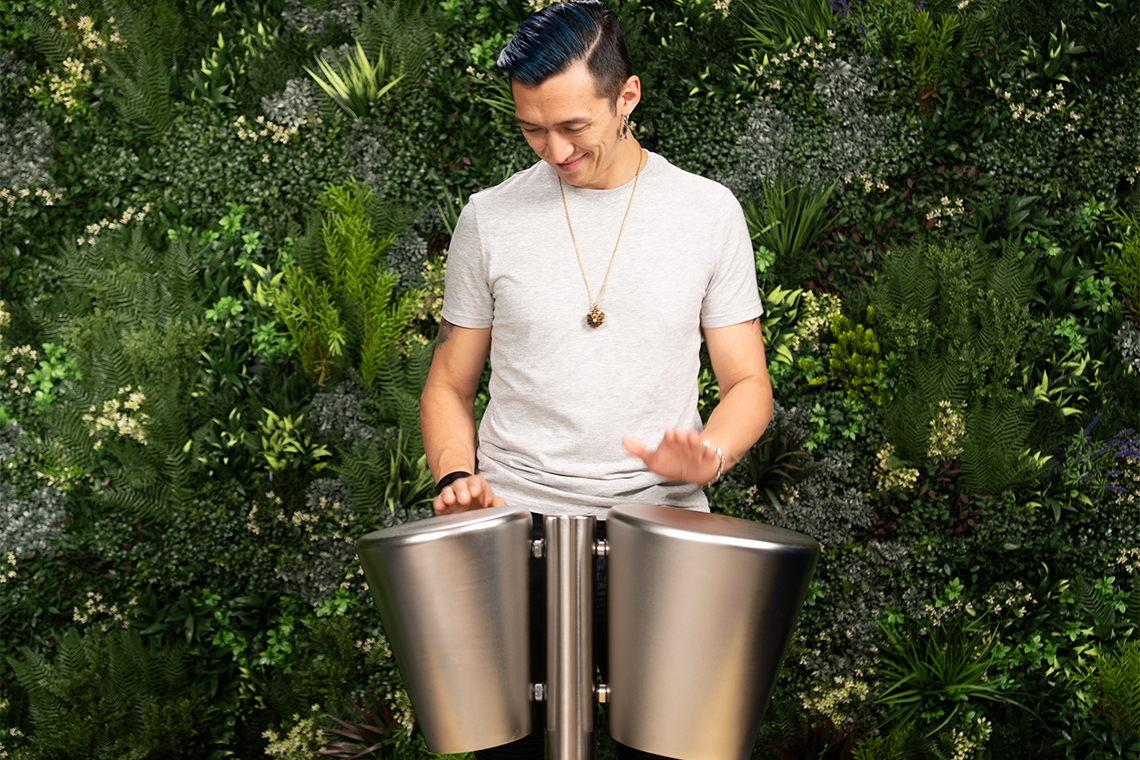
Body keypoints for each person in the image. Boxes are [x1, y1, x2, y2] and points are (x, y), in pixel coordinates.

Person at [419, 1, 773, 756]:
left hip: (665, 530)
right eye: (531, 129)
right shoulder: (489, 218)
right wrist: (456, 476)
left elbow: (747, 384)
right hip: (514, 533)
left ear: (627, 96)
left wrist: (708, 455)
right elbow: (449, 384)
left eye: (573, 127)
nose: (553, 150)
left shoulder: (707, 213)